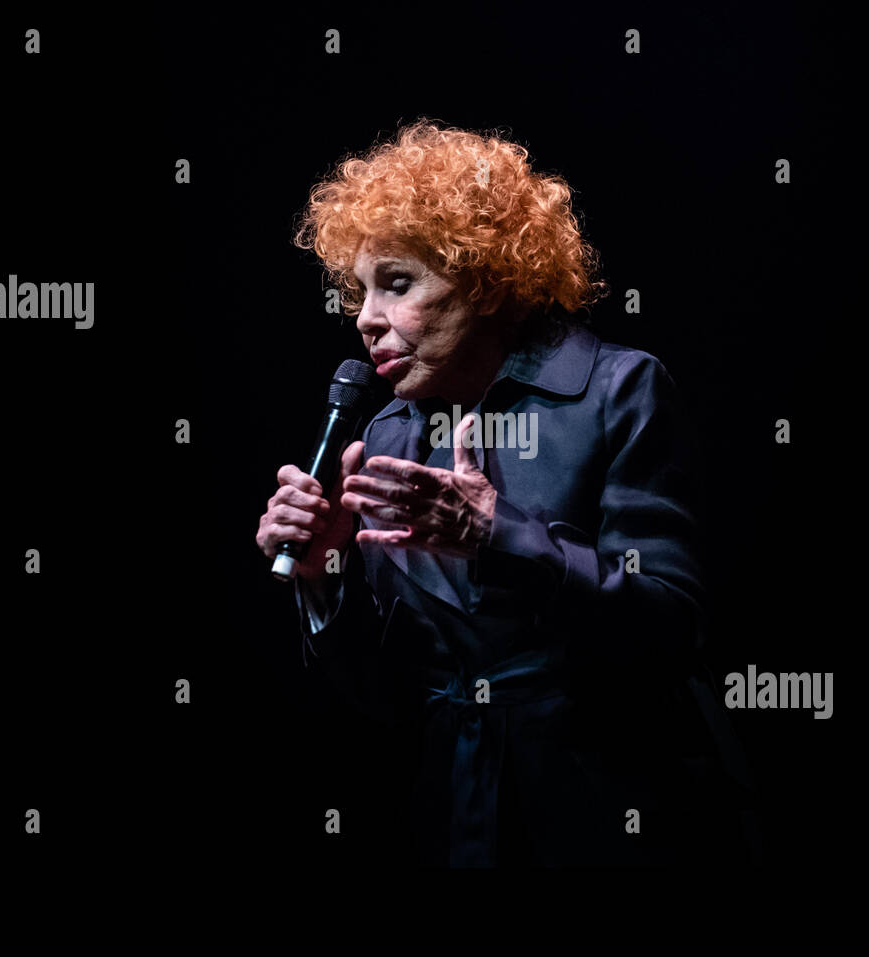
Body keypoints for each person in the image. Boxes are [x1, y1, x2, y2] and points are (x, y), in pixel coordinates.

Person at [257, 119, 757, 867]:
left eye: (397, 283)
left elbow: (670, 624)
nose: (364, 318)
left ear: (486, 280)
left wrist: (501, 534)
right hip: (453, 819)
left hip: (617, 814)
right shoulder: (389, 437)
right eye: (358, 290)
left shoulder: (617, 390)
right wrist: (323, 576)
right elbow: (388, 698)